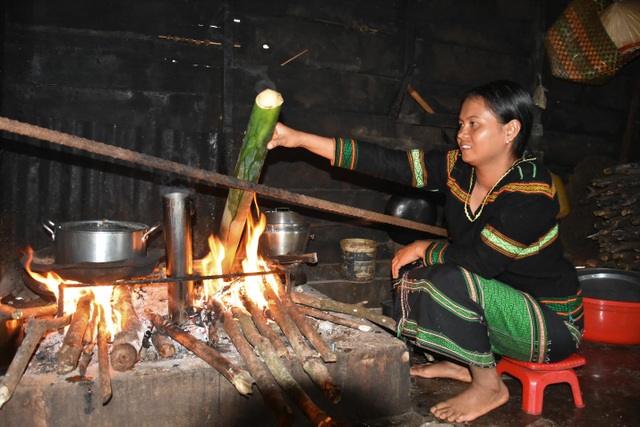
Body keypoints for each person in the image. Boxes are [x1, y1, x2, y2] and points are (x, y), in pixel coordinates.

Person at [266, 80, 583, 423]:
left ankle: (490, 386)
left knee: (447, 277)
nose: (462, 133)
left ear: (511, 130)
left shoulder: (531, 188)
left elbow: (482, 262)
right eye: (461, 124)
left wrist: (424, 247)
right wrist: (298, 139)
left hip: (551, 325)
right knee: (418, 276)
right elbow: (388, 162)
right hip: (498, 305)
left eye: (474, 124)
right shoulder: (459, 168)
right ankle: (467, 363)